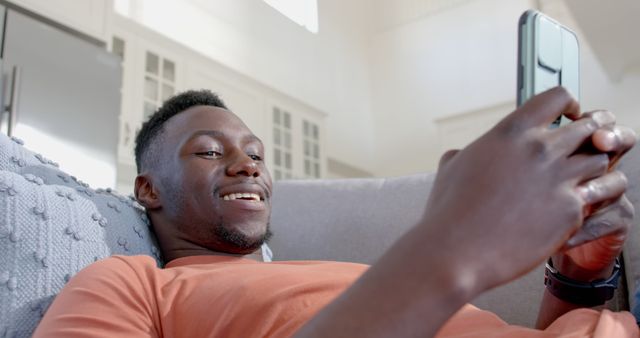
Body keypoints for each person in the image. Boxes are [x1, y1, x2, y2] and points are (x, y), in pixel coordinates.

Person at [34, 88, 638, 337]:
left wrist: (579, 278)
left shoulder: (327, 273)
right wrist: (450, 251)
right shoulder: (131, 282)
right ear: (148, 190)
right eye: (210, 152)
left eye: (256, 155)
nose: (248, 167)